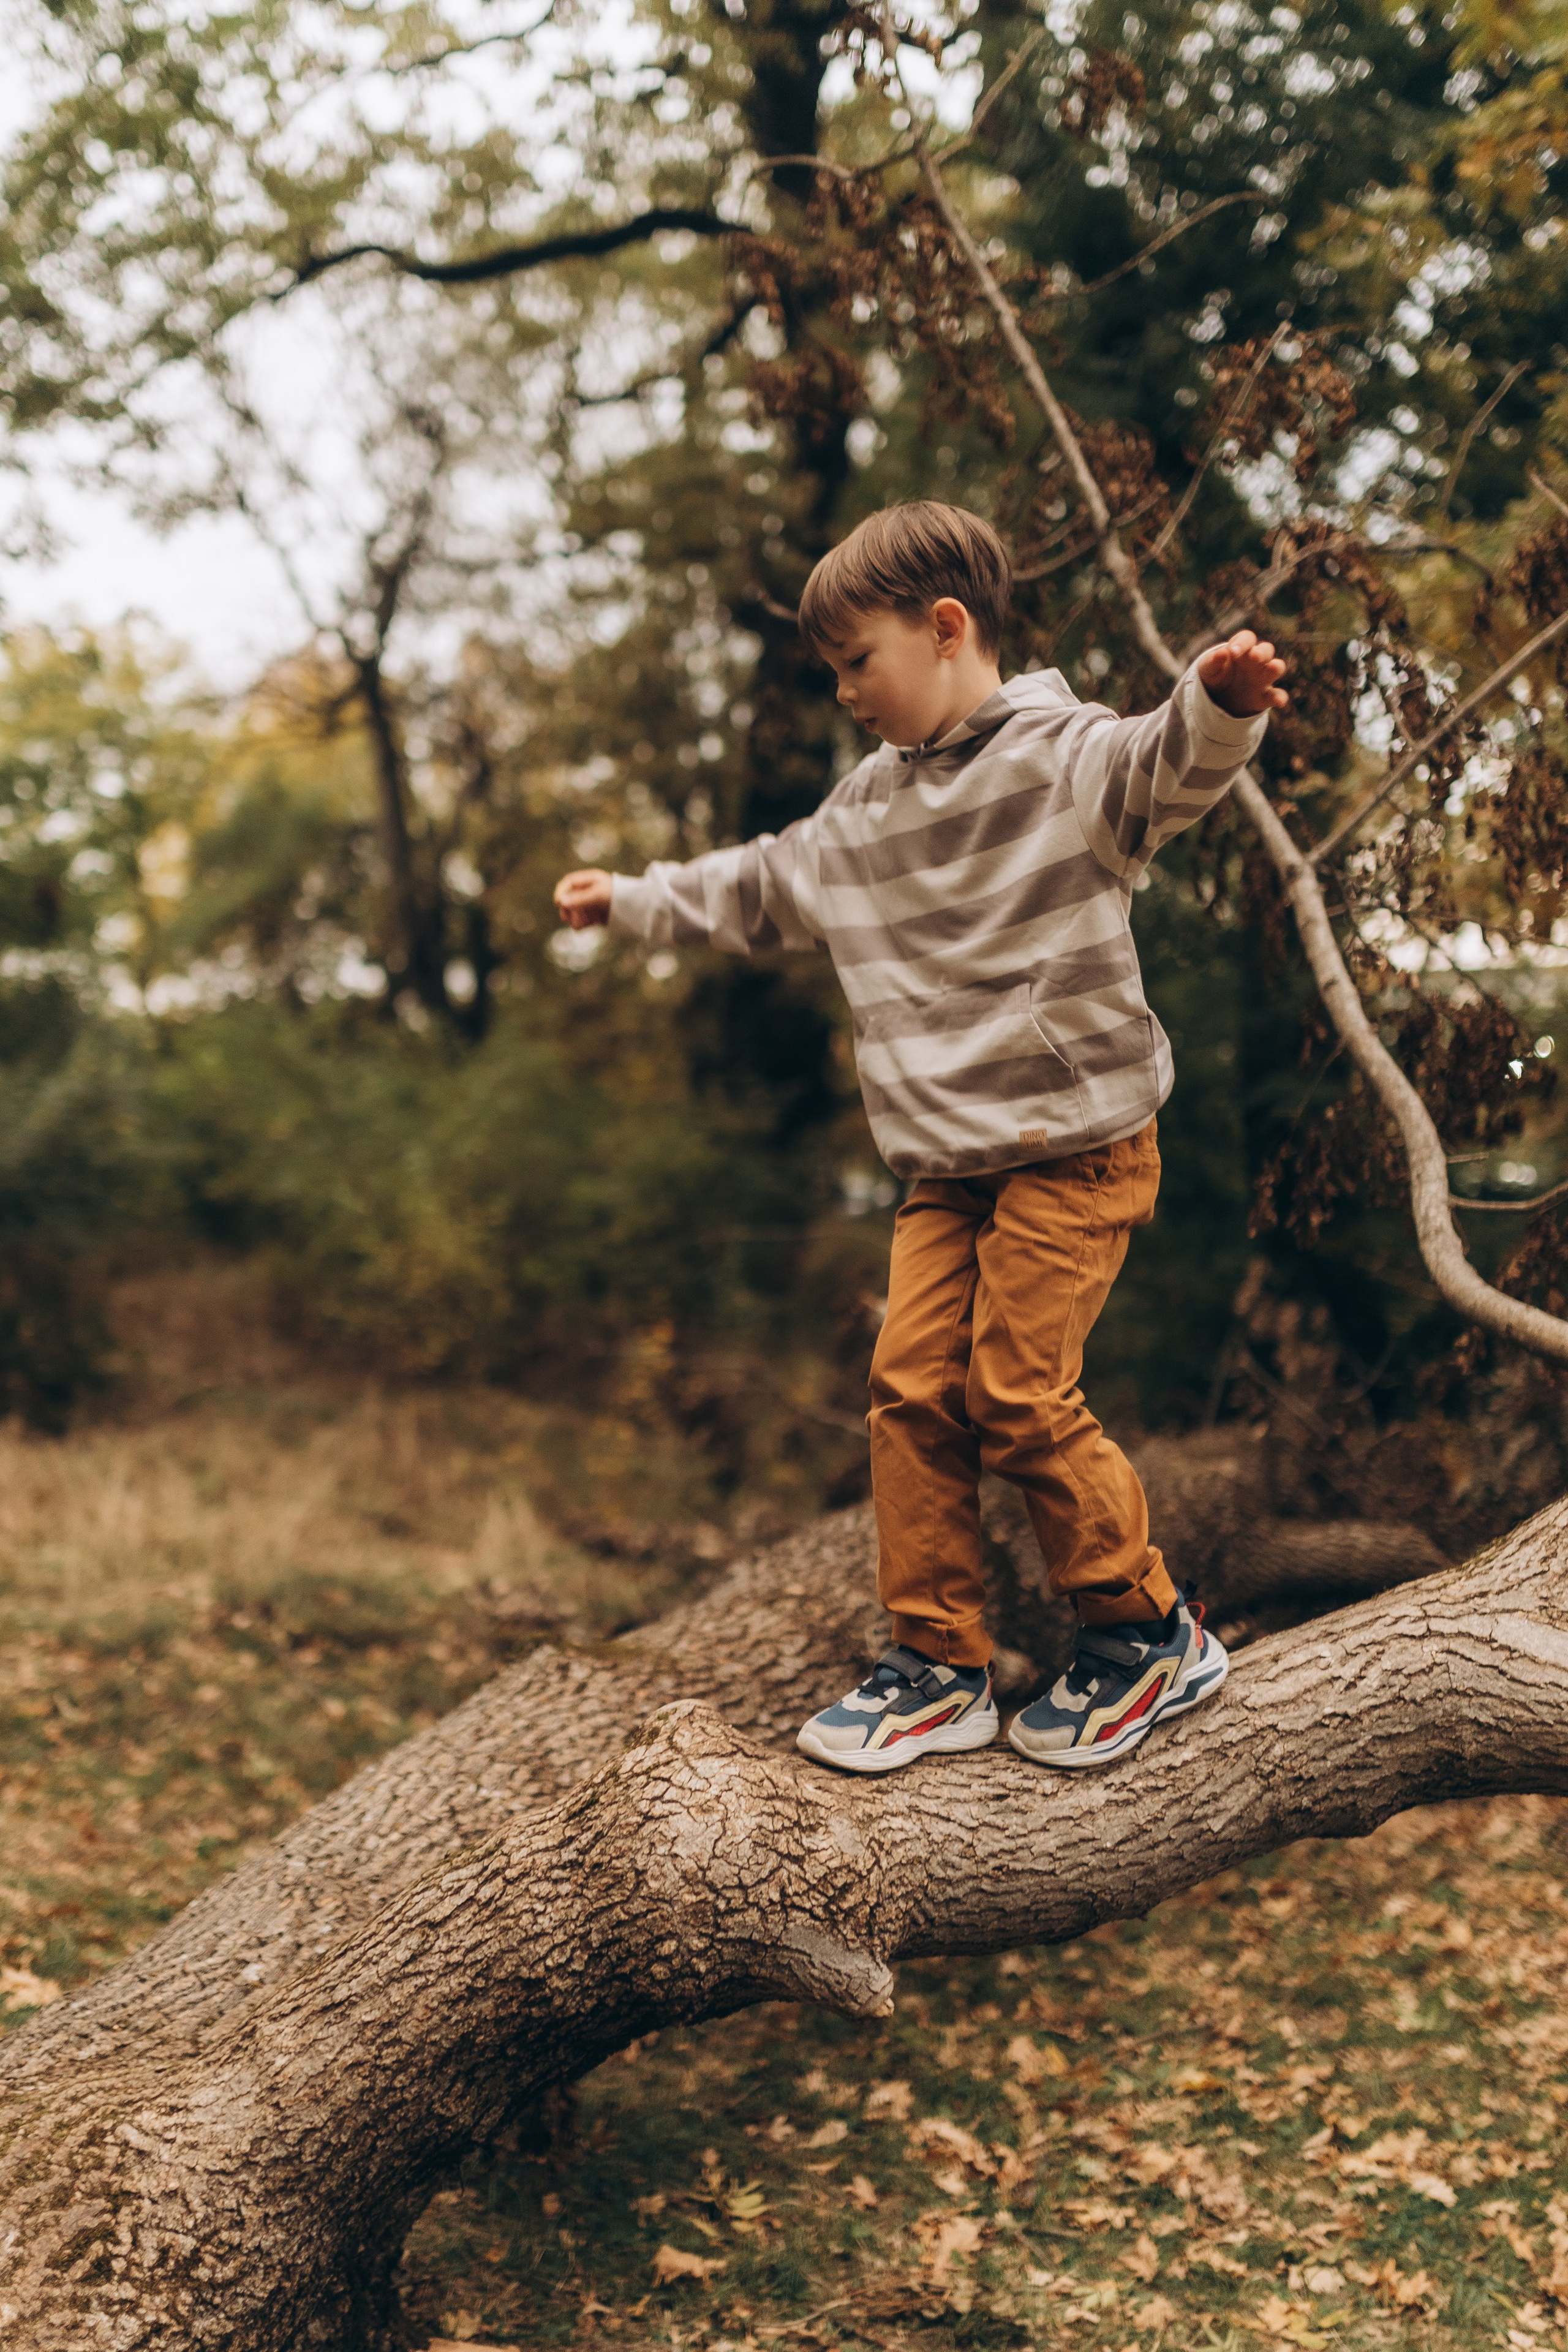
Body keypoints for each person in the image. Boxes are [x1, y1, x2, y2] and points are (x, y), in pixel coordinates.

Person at [555, 500, 1286, 1775]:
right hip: (944, 1172)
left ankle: (1143, 1629)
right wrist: (627, 901)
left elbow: (1165, 765)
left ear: (945, 629)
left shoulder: (1065, 760)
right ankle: (937, 1664)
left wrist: (1217, 702)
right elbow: (756, 886)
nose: (844, 692)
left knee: (1014, 1391)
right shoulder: (860, 817)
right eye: (831, 669)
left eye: (857, 661)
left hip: (1074, 1147)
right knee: (905, 1392)